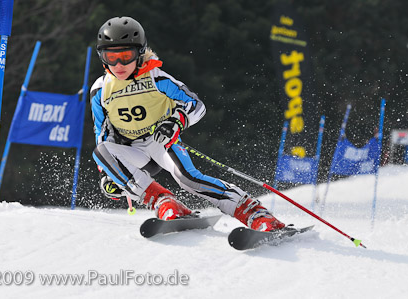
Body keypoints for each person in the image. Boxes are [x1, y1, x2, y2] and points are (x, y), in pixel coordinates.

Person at [90, 16, 285, 231]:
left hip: (162, 141)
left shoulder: (156, 78)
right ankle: (164, 202)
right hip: (134, 152)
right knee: (101, 151)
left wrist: (176, 122)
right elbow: (102, 132)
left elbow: (196, 105)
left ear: (140, 52)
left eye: (126, 56)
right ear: (102, 57)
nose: (118, 65)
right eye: (111, 57)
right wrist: (107, 175)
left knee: (189, 179)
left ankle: (255, 213)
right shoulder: (100, 90)